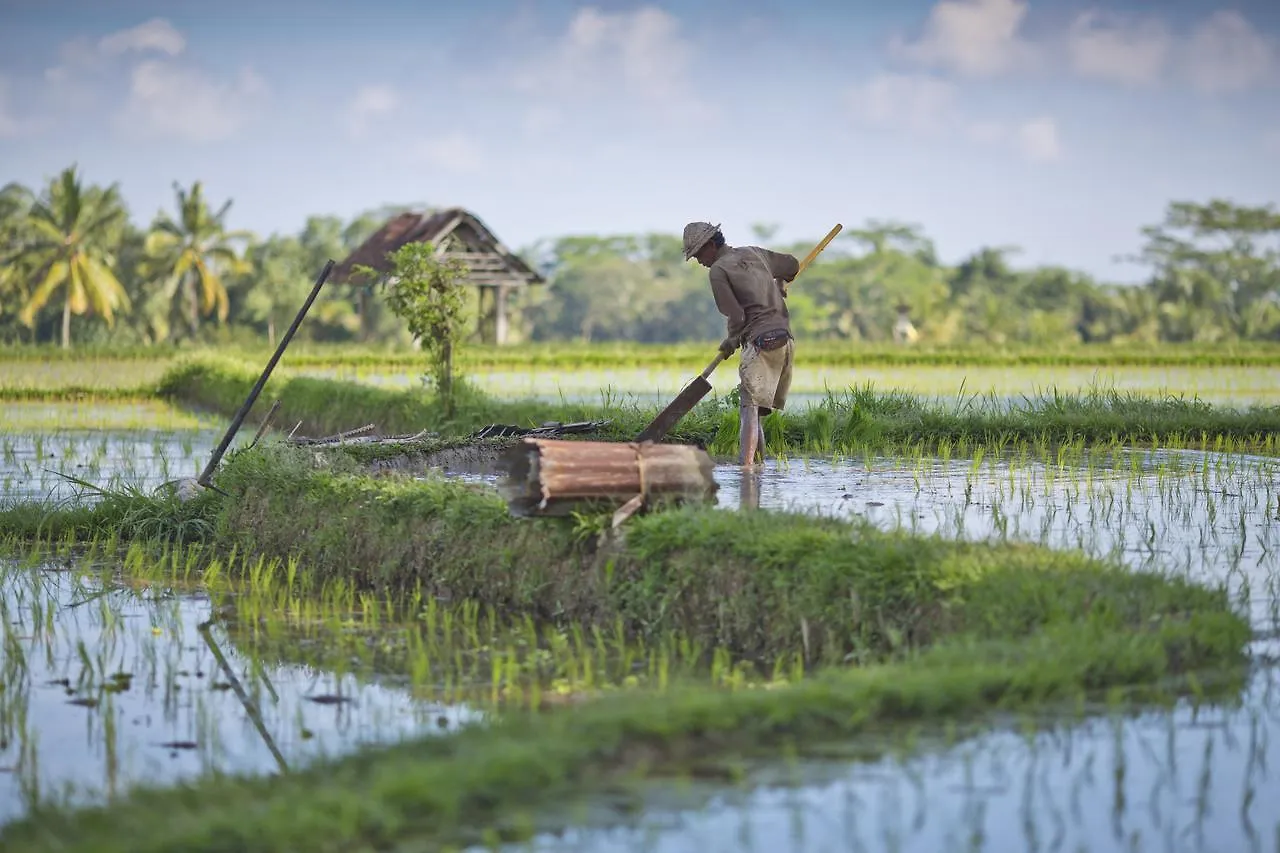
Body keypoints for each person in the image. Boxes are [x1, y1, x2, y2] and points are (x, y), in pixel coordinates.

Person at [682, 221, 800, 467]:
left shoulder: (718, 270)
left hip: (761, 343)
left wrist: (730, 340)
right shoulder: (754, 253)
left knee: (748, 409)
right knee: (755, 411)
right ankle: (758, 465)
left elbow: (736, 316)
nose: (699, 261)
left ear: (712, 245)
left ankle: (745, 468)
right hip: (785, 341)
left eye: (699, 254)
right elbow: (792, 265)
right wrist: (778, 283)